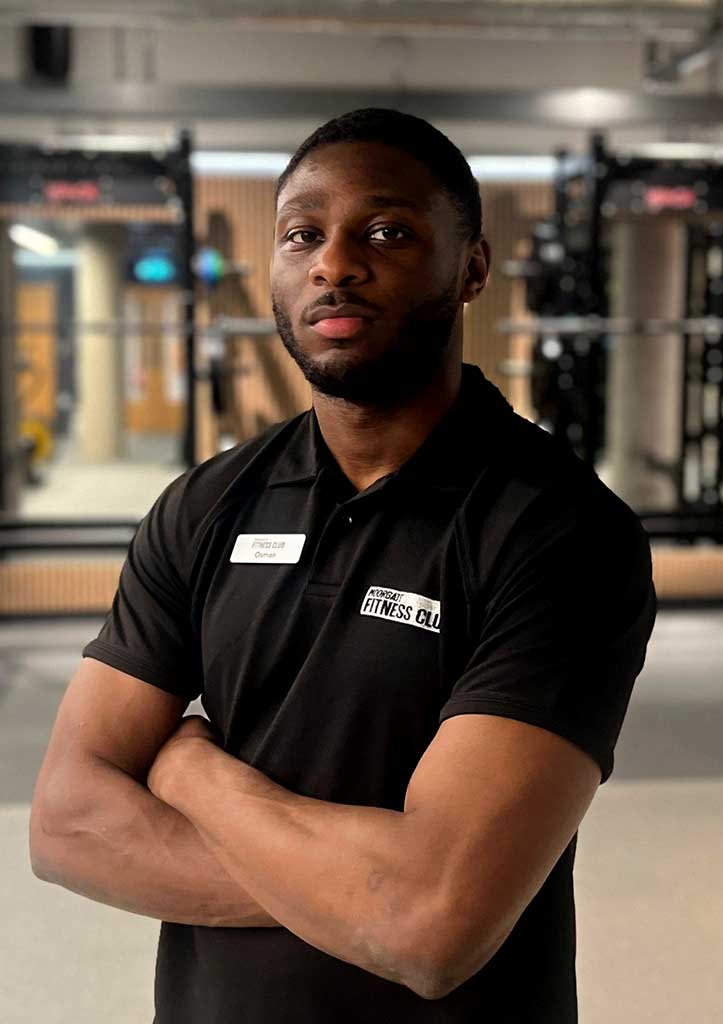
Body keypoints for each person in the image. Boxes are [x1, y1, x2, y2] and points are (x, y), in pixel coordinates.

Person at [30, 108, 657, 1023]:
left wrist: (193, 774)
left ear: (472, 266)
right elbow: (65, 826)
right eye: (302, 234)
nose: (333, 263)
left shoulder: (560, 533)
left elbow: (433, 926)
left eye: (388, 231)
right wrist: (357, 898)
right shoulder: (205, 507)